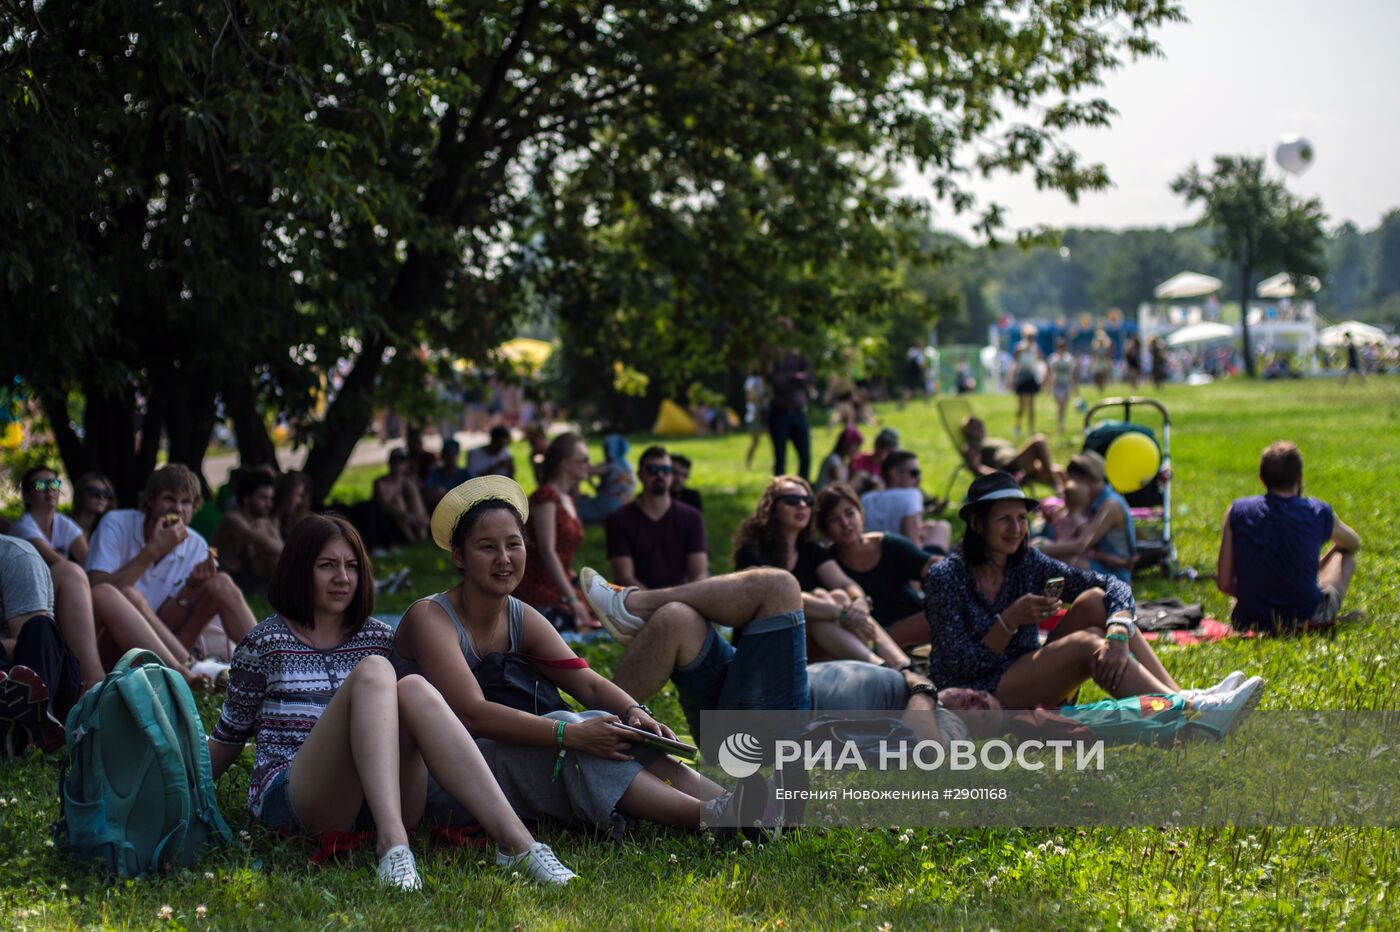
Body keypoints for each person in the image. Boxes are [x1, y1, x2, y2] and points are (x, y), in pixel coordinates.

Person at [208, 514, 576, 889]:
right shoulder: (265, 643)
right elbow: (229, 737)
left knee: (412, 686)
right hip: (300, 799)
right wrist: (186, 798)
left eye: (352, 566)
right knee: (375, 671)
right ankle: (394, 846)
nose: (343, 578)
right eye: (327, 566)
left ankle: (518, 843)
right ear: (299, 570)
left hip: (382, 797)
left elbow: (416, 719)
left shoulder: (380, 637)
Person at [394, 479, 773, 836]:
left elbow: (586, 681)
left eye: (514, 544)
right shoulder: (431, 618)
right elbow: (472, 712)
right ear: (459, 556)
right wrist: (570, 734)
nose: (504, 559)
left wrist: (633, 712)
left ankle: (730, 803)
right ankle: (710, 818)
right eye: (487, 547)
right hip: (439, 780)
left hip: (497, 760)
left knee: (605, 725)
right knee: (571, 733)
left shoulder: (518, 615)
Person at [924, 472, 1255, 714]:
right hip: (979, 696)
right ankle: (1187, 712)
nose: (1016, 529)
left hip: (1025, 671)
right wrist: (1009, 621)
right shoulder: (946, 578)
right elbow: (962, 666)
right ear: (978, 525)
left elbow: (1111, 585)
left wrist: (1119, 630)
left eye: (1022, 518)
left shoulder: (1026, 563)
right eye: (1004, 520)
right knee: (1087, 644)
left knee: (1096, 603)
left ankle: (1182, 695)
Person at [733, 477, 910, 667]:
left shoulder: (811, 551)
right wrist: (841, 613)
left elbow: (844, 583)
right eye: (792, 500)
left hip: (809, 644)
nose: (801, 505)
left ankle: (901, 664)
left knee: (840, 595)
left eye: (807, 501)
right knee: (818, 604)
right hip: (767, 644)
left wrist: (859, 602)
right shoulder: (754, 552)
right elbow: (785, 596)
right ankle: (881, 666)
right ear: (772, 508)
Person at [87, 464, 257, 659]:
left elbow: (165, 622)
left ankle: (273, 663)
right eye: (169, 499)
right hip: (113, 645)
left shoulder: (196, 545)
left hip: (165, 645)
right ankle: (188, 667)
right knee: (128, 595)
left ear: (194, 509)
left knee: (222, 583)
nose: (177, 508)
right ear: (150, 500)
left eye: (186, 502)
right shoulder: (116, 524)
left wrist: (190, 588)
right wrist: (153, 550)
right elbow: (96, 594)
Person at [1216, 441, 1362, 633]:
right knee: (1346, 556)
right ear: (1299, 478)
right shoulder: (1317, 512)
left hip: (1250, 618)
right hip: (1305, 614)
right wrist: (1332, 550)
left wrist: (1257, 595)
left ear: (1261, 479)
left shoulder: (1237, 511)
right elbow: (1354, 543)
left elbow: (1224, 583)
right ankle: (1319, 615)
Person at [816, 483, 941, 648]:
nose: (845, 523)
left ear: (861, 515)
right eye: (834, 519)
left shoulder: (888, 544)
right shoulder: (826, 563)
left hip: (911, 618)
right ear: (825, 529)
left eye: (849, 513)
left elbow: (930, 566)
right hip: (870, 637)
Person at [1, 534, 79, 752]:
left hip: (44, 671)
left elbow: (25, 642)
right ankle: (18, 733)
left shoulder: (17, 558)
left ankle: (40, 721)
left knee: (40, 627)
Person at [515, 433, 598, 631]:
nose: (589, 464)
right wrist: (571, 597)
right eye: (584, 459)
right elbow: (547, 551)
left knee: (608, 611)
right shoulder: (546, 496)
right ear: (566, 463)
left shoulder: (567, 498)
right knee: (577, 623)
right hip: (539, 587)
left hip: (560, 583)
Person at [605, 446, 707, 589]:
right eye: (652, 470)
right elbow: (625, 577)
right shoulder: (618, 520)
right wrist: (656, 602)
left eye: (666, 470)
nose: (660, 475)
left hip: (680, 601)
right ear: (640, 474)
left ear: (671, 476)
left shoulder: (692, 518)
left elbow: (699, 574)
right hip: (636, 602)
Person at [1035, 452, 1136, 582]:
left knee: (1059, 560)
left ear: (1085, 479)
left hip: (1115, 574)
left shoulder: (1111, 505)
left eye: (1073, 480)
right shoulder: (1093, 500)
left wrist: (1037, 550)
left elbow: (1081, 544)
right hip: (1097, 561)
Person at [858, 452, 952, 555]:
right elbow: (913, 546)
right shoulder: (911, 495)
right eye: (914, 473)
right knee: (942, 526)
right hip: (904, 562)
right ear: (893, 474)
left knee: (930, 526)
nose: (919, 479)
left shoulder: (866, 498)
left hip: (872, 557)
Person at [210, 468, 284, 593]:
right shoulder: (233, 520)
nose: (269, 504)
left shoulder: (262, 520)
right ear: (246, 498)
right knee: (275, 559)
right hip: (223, 574)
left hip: (246, 575)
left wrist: (274, 528)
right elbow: (267, 544)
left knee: (275, 560)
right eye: (263, 498)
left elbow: (280, 549)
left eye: (271, 499)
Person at [959, 416, 1064, 494]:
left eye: (978, 423)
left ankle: (1068, 506)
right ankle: (1054, 482)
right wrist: (1004, 478)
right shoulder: (971, 446)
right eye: (972, 426)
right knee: (1039, 441)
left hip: (1022, 463)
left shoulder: (988, 440)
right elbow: (977, 468)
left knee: (1061, 472)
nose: (978, 427)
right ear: (967, 432)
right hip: (1010, 467)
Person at [10, 465, 88, 565]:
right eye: (40, 485)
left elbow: (89, 563)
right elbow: (61, 564)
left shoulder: (64, 523)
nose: (49, 490)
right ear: (26, 496)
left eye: (54, 483)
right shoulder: (22, 528)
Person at [767, 320, 813, 481]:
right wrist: (795, 378)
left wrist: (789, 378)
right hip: (779, 411)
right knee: (780, 458)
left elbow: (808, 377)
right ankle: (778, 493)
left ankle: (803, 489)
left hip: (798, 411)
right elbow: (775, 381)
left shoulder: (799, 354)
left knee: (805, 456)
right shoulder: (772, 356)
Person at [372, 448, 430, 545]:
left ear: (406, 464)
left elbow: (419, 499)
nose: (398, 464)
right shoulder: (381, 483)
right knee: (398, 502)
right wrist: (406, 515)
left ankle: (422, 535)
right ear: (390, 463)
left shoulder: (409, 481)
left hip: (412, 519)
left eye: (401, 460)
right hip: (391, 520)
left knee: (411, 495)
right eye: (395, 460)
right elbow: (384, 505)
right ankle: (413, 540)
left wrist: (418, 517)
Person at [577, 434, 634, 525]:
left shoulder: (609, 466)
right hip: (625, 503)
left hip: (610, 504)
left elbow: (587, 471)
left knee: (578, 509)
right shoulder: (627, 465)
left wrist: (584, 461)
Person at [1010, 326, 1043, 436]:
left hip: (1031, 377)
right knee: (1021, 407)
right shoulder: (1019, 347)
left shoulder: (1035, 348)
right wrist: (1012, 379)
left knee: (1032, 406)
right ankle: (1017, 427)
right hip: (1022, 377)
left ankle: (1031, 428)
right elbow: (1015, 363)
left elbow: (1038, 363)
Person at [69, 472, 117, 541]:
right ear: (80, 494)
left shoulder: (109, 530)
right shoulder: (63, 525)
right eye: (94, 491)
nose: (101, 497)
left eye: (107, 493)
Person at [422, 440, 468, 510]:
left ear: (458, 455)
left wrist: (446, 496)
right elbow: (427, 494)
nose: (451, 457)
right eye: (448, 454)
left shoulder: (466, 473)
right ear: (442, 456)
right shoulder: (434, 473)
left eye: (454, 453)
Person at [849, 428, 899, 492]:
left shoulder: (893, 467)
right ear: (876, 445)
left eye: (889, 451)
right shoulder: (859, 459)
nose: (883, 453)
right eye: (881, 447)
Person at [814, 427, 862, 493]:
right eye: (857, 446)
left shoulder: (842, 461)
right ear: (848, 445)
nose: (858, 450)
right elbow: (842, 487)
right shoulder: (834, 460)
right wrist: (859, 478)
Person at [1047, 338, 1076, 435]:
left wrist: (1074, 386)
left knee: (1063, 406)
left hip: (1066, 384)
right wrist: (1048, 386)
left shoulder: (1069, 359)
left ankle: (1062, 424)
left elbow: (1072, 373)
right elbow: (1050, 373)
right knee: (1060, 404)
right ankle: (1060, 424)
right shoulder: (1053, 359)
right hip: (1057, 384)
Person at [742, 365, 768, 471]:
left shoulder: (752, 381)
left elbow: (749, 397)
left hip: (757, 414)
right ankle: (748, 463)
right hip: (757, 414)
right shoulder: (755, 381)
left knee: (755, 441)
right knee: (756, 441)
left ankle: (748, 463)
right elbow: (751, 397)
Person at [272, 470, 312, 539]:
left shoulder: (300, 523)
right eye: (297, 494)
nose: (299, 501)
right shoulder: (266, 517)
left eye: (301, 496)